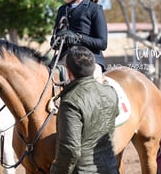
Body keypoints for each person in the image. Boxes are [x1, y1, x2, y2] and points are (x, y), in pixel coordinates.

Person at [50, 46, 119, 174]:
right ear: (93, 67)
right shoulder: (111, 92)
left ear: (68, 72)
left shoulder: (70, 101)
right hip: (111, 168)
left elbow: (70, 149)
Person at [51, 0, 108, 82]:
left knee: (91, 86)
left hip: (90, 60)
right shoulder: (62, 10)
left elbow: (102, 43)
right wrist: (58, 39)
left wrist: (78, 38)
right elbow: (53, 43)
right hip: (64, 59)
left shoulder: (95, 10)